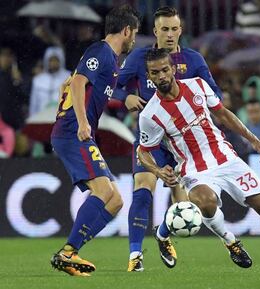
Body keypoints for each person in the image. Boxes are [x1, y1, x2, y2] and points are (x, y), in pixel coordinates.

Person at [138, 48, 260, 273]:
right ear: (149, 76)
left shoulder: (197, 85)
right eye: (155, 73)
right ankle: (230, 241)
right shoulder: (150, 115)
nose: (162, 76)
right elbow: (143, 151)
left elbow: (223, 114)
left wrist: (253, 139)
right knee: (205, 202)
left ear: (173, 69)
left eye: (165, 69)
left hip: (227, 159)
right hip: (194, 169)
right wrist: (156, 170)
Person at [114, 6, 222, 272]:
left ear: (181, 30)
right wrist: (124, 96)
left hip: (185, 145)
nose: (170, 34)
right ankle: (135, 256)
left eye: (174, 29)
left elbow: (214, 94)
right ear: (155, 31)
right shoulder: (140, 57)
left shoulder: (194, 60)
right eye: (165, 29)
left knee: (184, 205)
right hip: (152, 141)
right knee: (142, 190)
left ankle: (163, 237)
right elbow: (111, 83)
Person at [49, 5, 140, 277]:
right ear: (126, 30)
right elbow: (76, 84)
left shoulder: (110, 60)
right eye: (134, 33)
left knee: (115, 200)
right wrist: (82, 121)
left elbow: (67, 84)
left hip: (73, 131)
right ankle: (68, 252)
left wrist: (65, 105)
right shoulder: (101, 52)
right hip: (73, 133)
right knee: (103, 191)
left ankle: (72, 251)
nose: (134, 38)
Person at [29, 46, 71, 117]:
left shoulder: (69, 77)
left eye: (56, 60)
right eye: (51, 60)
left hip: (62, 119)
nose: (53, 63)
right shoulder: (38, 80)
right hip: (41, 119)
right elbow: (33, 104)